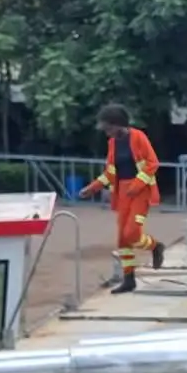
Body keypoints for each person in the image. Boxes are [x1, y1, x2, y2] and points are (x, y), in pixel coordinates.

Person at [79, 104, 164, 294]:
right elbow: (110, 173)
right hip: (123, 193)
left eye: (108, 128)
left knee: (132, 233)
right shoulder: (112, 144)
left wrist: (136, 185)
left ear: (118, 125)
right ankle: (129, 279)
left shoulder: (138, 137)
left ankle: (155, 246)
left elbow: (152, 163)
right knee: (122, 240)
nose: (106, 132)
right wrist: (92, 188)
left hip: (141, 192)